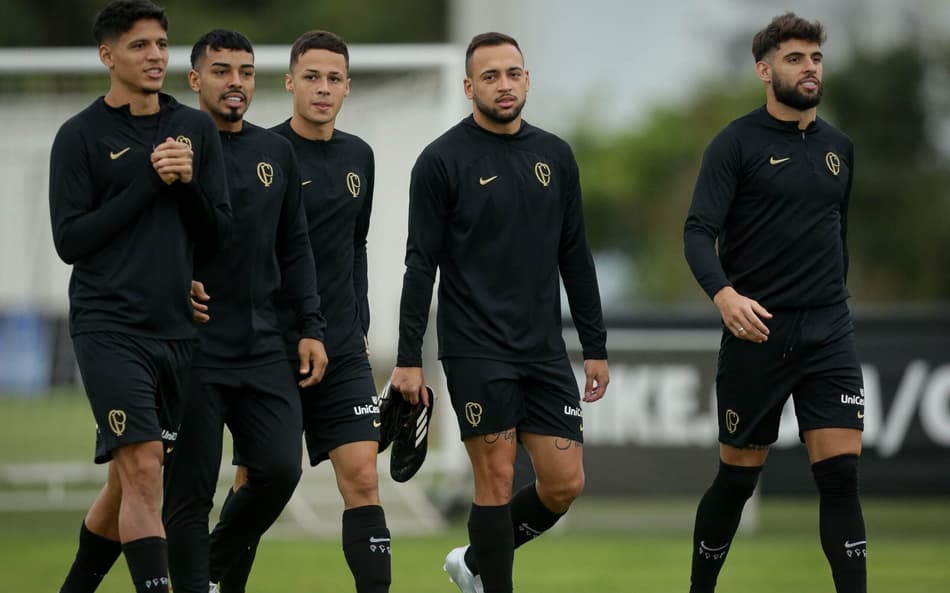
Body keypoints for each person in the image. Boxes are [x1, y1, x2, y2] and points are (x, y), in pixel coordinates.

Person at [390, 32, 609, 593]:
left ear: (527, 79)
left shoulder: (555, 155)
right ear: (469, 87)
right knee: (496, 477)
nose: (504, 85)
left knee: (564, 483)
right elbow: (421, 265)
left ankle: (475, 562)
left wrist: (596, 345)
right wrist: (409, 358)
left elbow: (575, 257)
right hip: (474, 347)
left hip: (542, 349)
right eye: (490, 76)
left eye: (513, 73)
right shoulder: (441, 160)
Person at [48, 2, 230, 592]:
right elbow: (71, 240)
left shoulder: (195, 129)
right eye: (139, 46)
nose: (155, 56)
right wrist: (150, 181)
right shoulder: (79, 136)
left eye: (160, 43)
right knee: (145, 469)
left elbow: (218, 234)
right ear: (108, 55)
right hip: (107, 328)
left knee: (131, 480)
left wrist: (184, 187)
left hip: (176, 328)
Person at [683, 12, 866, 593]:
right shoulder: (735, 143)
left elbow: (837, 235)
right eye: (795, 58)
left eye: (815, 57)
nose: (809, 68)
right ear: (765, 70)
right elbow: (696, 232)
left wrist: (834, 300)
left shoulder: (839, 146)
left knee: (840, 477)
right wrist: (725, 295)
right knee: (737, 481)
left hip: (829, 333)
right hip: (757, 334)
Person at [213, 30, 391, 593]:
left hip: (340, 345)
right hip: (269, 348)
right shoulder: (261, 150)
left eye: (334, 78)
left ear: (347, 88)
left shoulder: (359, 155)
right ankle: (214, 579)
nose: (322, 88)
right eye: (311, 77)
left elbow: (354, 246)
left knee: (363, 475)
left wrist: (358, 322)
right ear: (289, 83)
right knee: (255, 479)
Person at [161, 29, 327, 593]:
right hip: (194, 347)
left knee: (280, 469)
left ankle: (205, 568)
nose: (236, 83)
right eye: (222, 70)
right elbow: (143, 236)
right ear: (195, 80)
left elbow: (296, 247)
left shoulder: (275, 151)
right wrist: (170, 284)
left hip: (263, 344)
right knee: (190, 490)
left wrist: (310, 327)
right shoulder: (170, 142)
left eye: (246, 71)